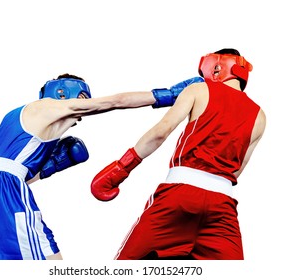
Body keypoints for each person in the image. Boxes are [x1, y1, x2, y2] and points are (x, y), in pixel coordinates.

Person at [0, 73, 200, 260]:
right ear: (63, 93)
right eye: (81, 98)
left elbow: (14, 171)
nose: (81, 114)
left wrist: (51, 167)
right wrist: (168, 95)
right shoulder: (49, 106)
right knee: (44, 260)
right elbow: (114, 102)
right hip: (5, 187)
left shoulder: (19, 116)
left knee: (34, 257)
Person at [91, 49, 266, 260]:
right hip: (222, 207)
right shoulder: (260, 115)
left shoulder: (199, 90)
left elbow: (160, 133)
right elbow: (236, 171)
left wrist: (122, 168)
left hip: (179, 195)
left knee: (125, 265)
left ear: (216, 67)